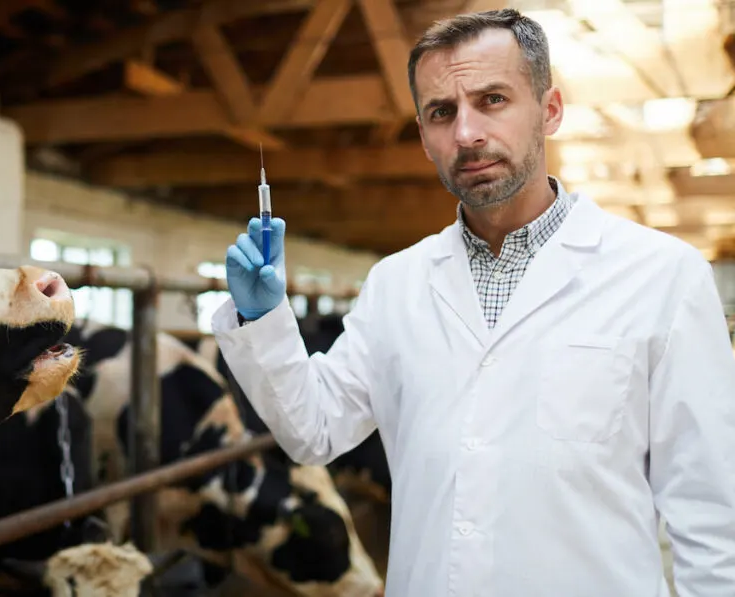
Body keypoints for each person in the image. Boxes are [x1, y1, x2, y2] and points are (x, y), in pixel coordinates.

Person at [212, 8, 735, 597]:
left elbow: (713, 518)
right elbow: (314, 431)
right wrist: (263, 318)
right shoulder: (396, 285)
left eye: (492, 100)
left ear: (550, 110)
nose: (466, 134)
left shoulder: (663, 278)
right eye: (442, 112)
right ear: (424, 137)